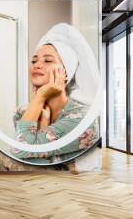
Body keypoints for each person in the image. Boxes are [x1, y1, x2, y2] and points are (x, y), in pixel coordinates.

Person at [11, 23, 99, 164]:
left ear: (65, 72)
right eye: (34, 60)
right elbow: (30, 160)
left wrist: (40, 96)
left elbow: (20, 150)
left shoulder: (83, 120)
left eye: (48, 60)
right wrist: (43, 119)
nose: (37, 65)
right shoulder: (21, 111)